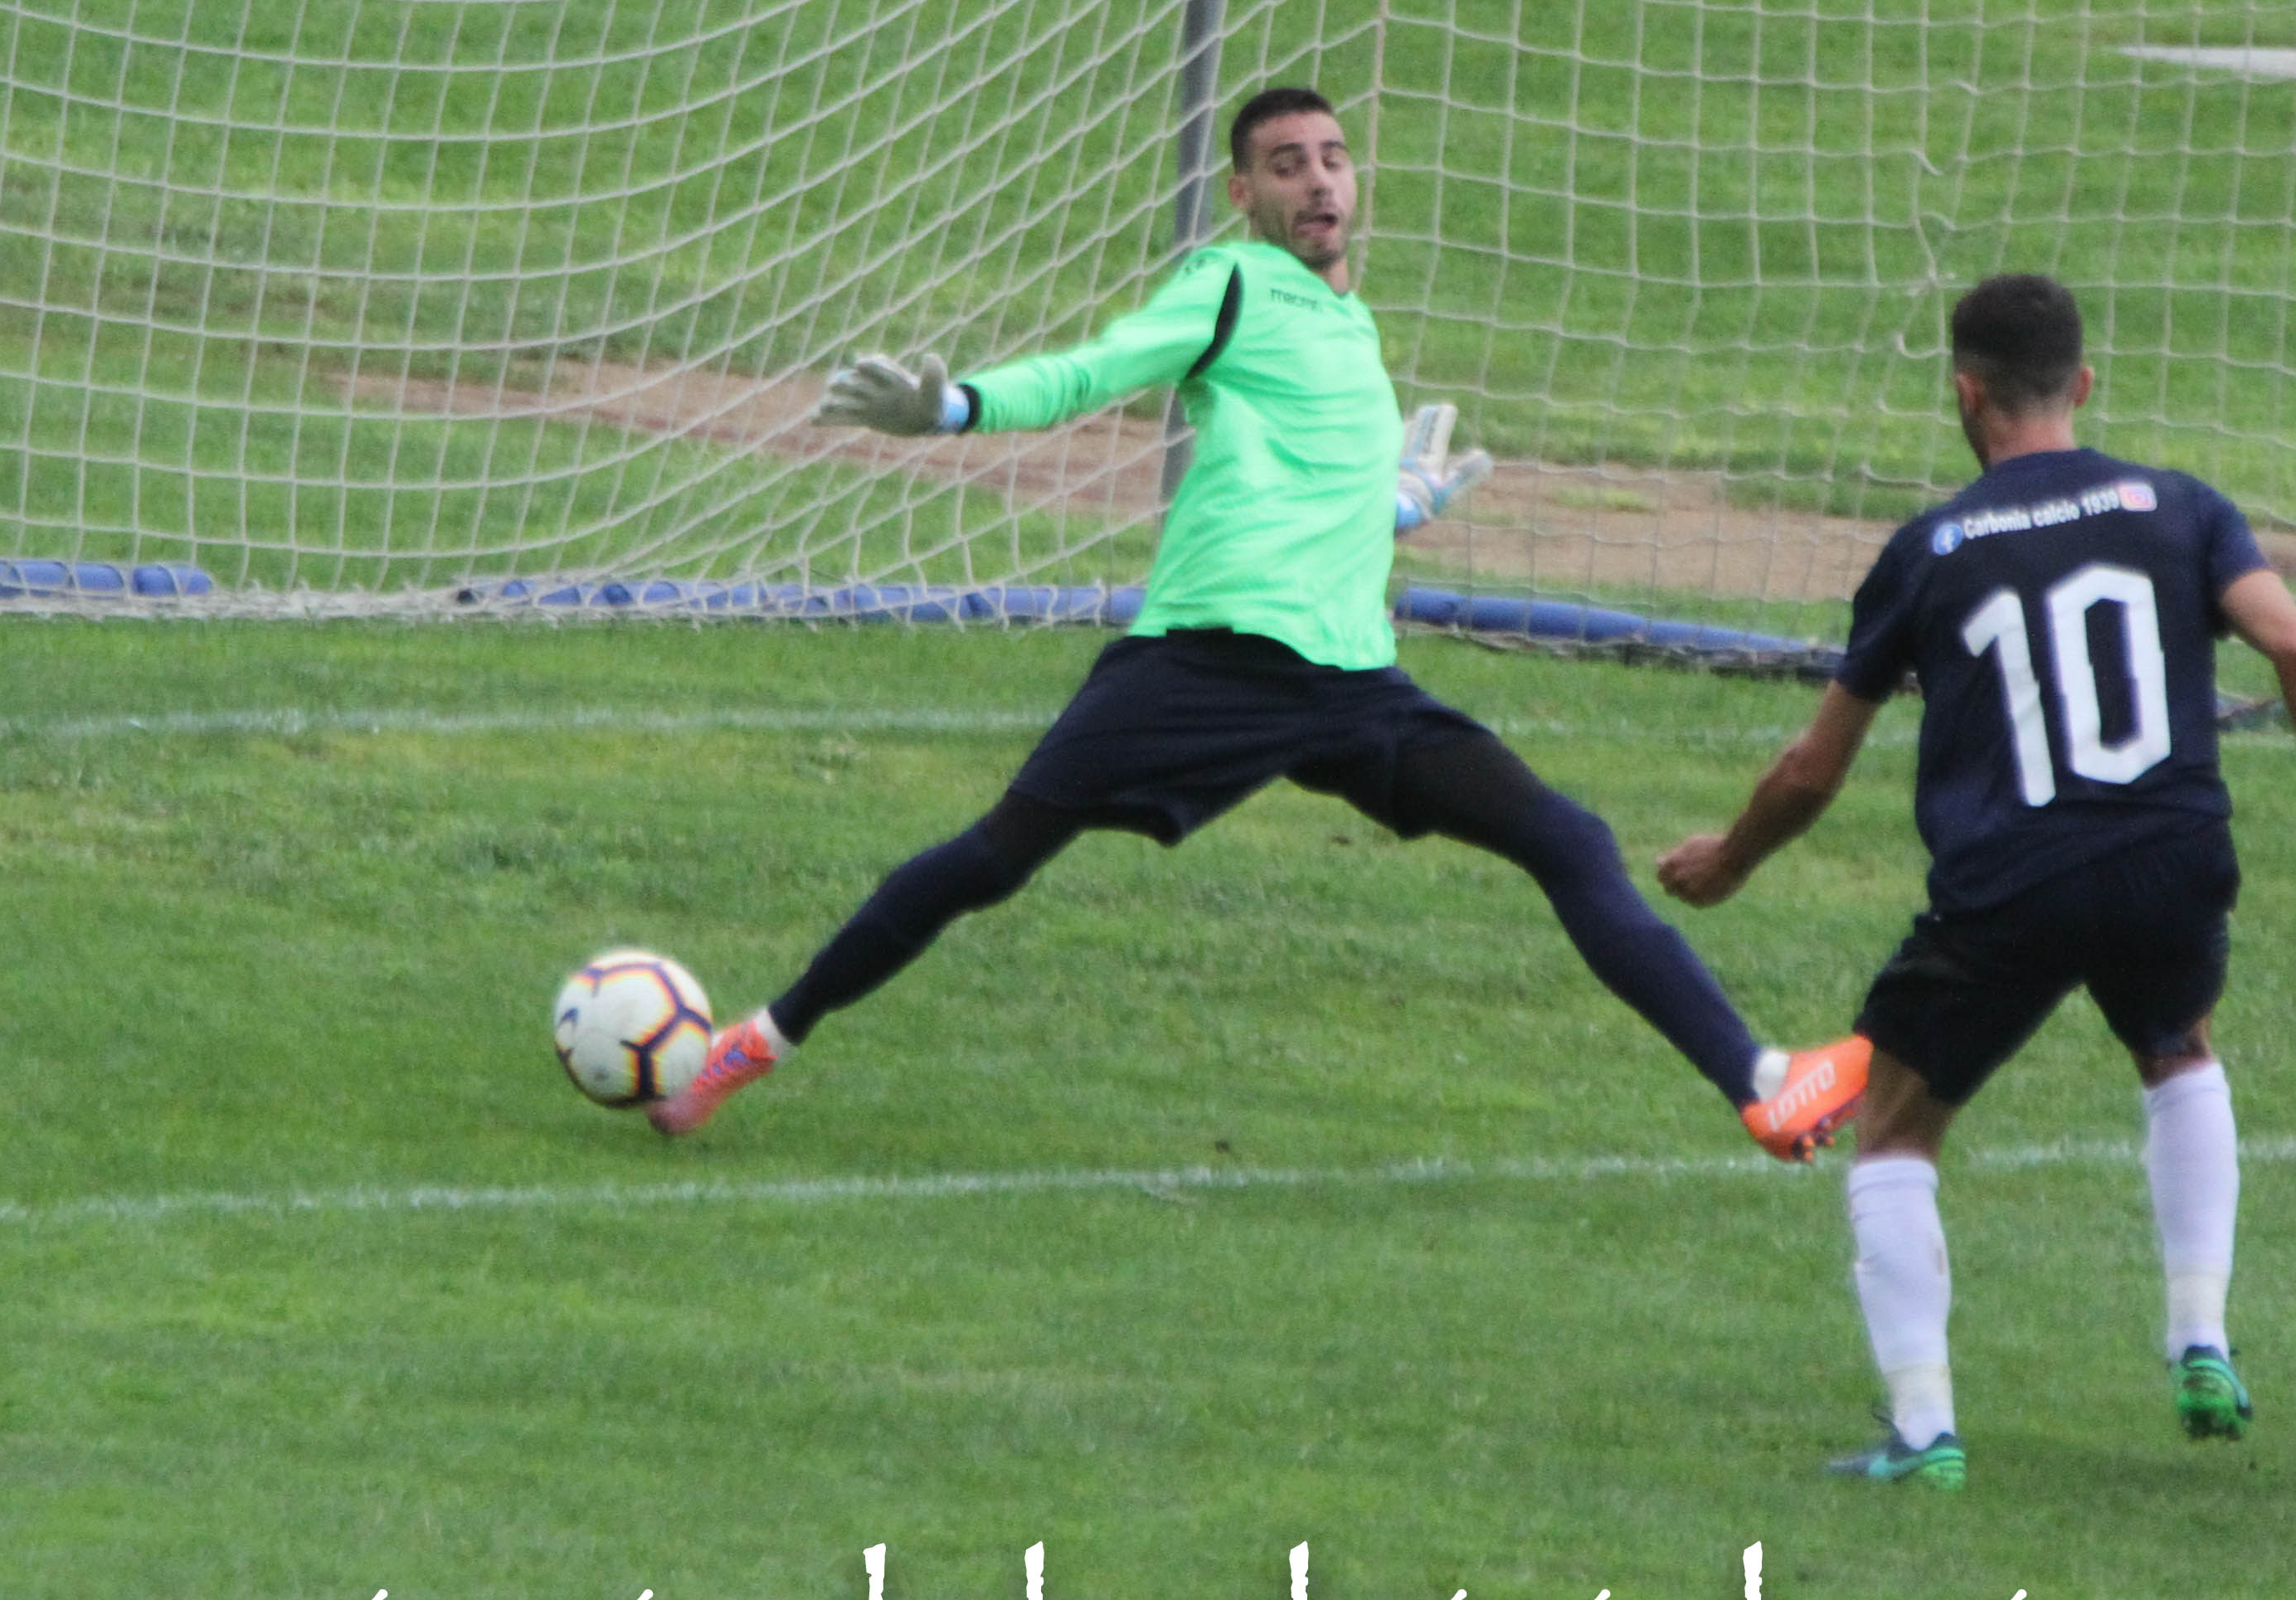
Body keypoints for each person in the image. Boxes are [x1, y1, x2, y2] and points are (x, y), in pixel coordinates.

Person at [645, 85, 1861, 1156]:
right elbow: (1097, 368)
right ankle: (759, 1039)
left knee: (1569, 840)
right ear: (1244, 194)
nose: (1318, 180)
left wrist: (1395, 503)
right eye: (1287, 165)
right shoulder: (1230, 282)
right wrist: (958, 406)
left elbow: (1303, 483)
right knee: (992, 860)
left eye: (1332, 157)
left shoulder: (1349, 323)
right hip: (1213, 660)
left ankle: (1760, 1083)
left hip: (1351, 683)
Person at [1658, 271, 2296, 1486]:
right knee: (2178, 1048)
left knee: (1894, 1129)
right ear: (2084, 384)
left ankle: (1923, 1434)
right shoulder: (2182, 506)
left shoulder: (1929, 550)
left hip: (2013, 882)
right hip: (2172, 856)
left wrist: (1730, 861)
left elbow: (1813, 766)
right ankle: (2202, 1338)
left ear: (1966, 394)